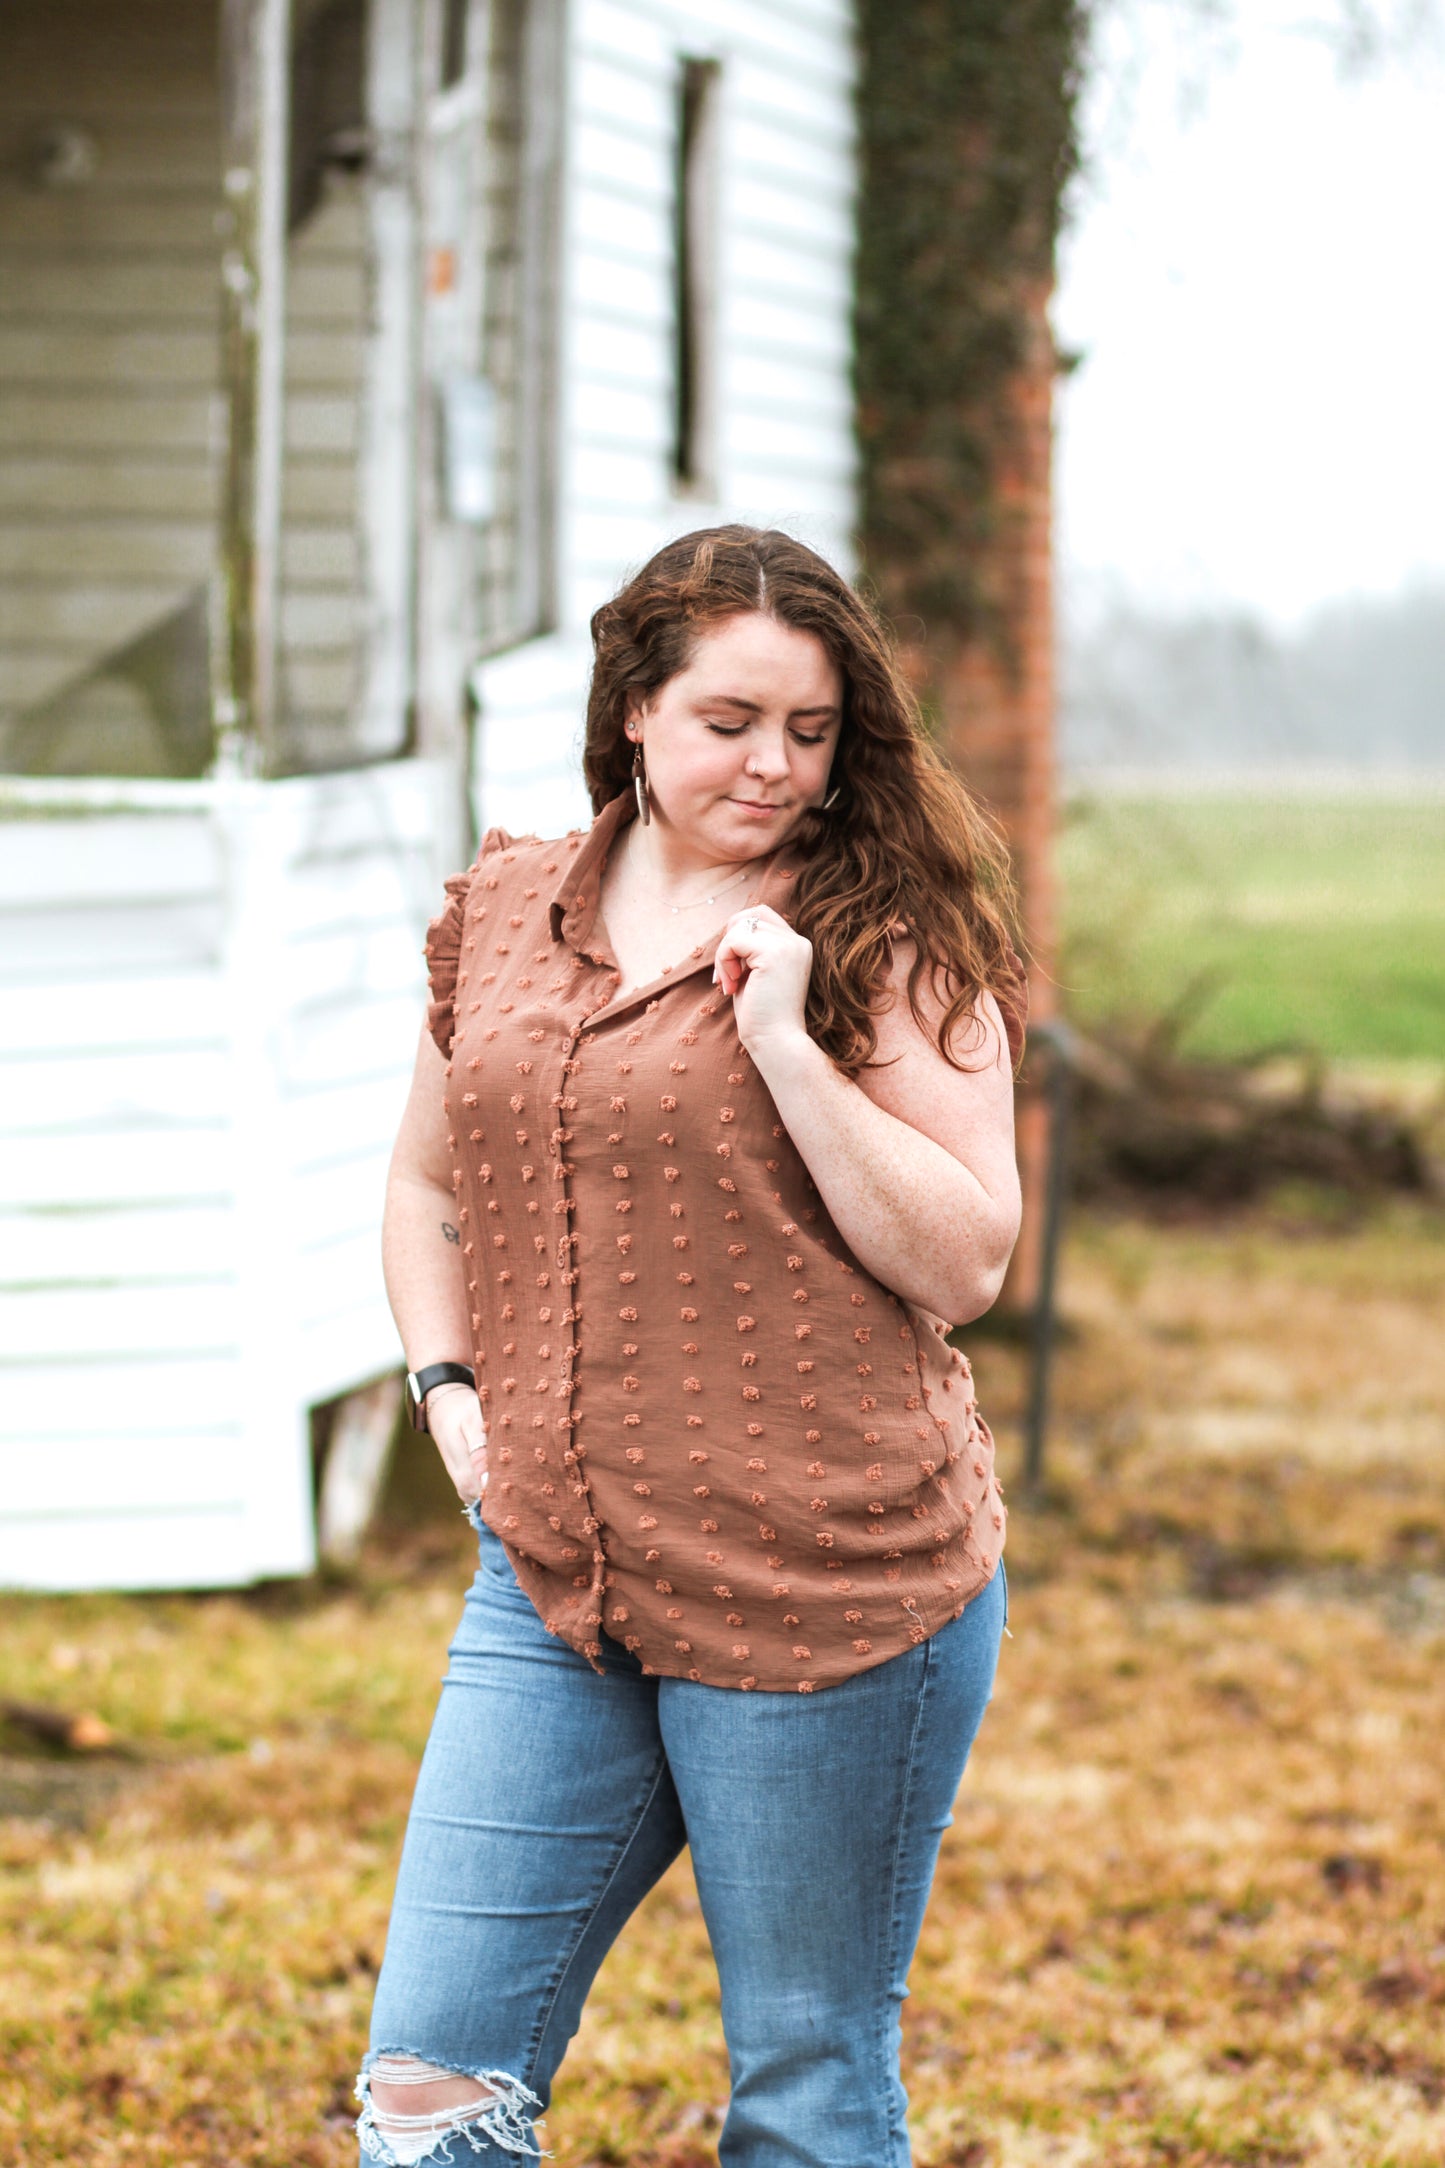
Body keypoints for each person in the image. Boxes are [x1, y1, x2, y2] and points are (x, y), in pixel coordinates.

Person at [357, 526, 1027, 2167]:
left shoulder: (887, 934)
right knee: (427, 2086)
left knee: (802, 2087)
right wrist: (448, 1390)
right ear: (635, 707)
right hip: (555, 1572)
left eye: (809, 731)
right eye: (730, 720)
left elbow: (966, 1260)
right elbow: (427, 1183)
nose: (774, 766)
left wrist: (786, 1041)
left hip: (826, 1584)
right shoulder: (507, 909)